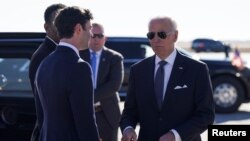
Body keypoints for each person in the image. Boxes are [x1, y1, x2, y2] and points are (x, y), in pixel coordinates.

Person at [120, 16, 215, 141]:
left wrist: (175, 135)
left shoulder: (196, 69)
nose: (156, 39)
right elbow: (130, 111)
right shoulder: (138, 70)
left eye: (162, 34)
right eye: (151, 35)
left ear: (175, 36)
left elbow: (206, 115)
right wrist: (128, 128)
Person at [35, 6, 100, 141]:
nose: (91, 34)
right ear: (78, 29)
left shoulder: (44, 63)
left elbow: (42, 117)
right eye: (89, 28)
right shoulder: (80, 67)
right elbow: (85, 121)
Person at [80, 23, 124, 141]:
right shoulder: (78, 56)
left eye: (100, 36)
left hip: (107, 114)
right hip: (84, 113)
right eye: (93, 35)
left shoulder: (115, 57)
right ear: (88, 36)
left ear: (105, 38)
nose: (96, 39)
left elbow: (114, 85)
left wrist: (89, 98)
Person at [28, 3, 66, 141]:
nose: (62, 26)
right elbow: (46, 105)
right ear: (46, 27)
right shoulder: (43, 55)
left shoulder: (60, 52)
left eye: (64, 21)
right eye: (57, 22)